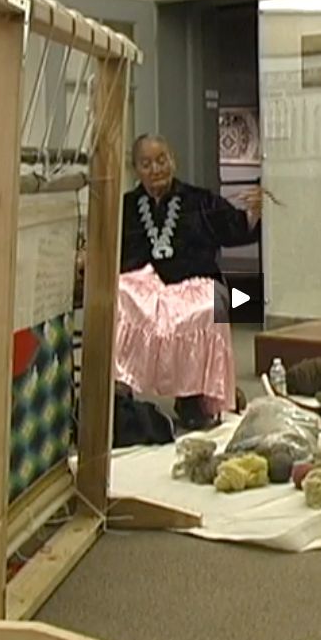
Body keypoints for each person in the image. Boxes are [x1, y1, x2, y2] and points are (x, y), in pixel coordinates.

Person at [116, 134, 262, 430]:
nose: (156, 169)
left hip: (194, 286)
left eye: (161, 160)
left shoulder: (200, 200)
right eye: (146, 163)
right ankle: (121, 395)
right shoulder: (124, 207)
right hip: (142, 291)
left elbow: (238, 228)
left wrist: (254, 213)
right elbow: (108, 249)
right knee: (119, 296)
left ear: (174, 161)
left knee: (211, 305)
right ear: (135, 169)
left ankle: (195, 397)